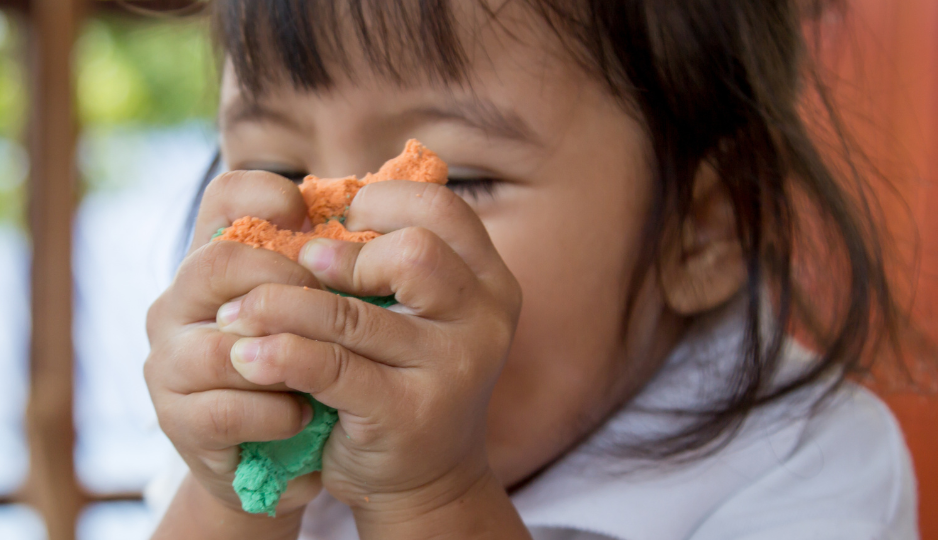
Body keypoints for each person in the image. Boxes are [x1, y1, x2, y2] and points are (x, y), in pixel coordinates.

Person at [142, 1, 921, 538]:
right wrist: (233, 501)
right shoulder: (243, 430)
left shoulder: (800, 463)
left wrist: (429, 499)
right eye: (278, 165)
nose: (339, 245)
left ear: (701, 229)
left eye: (451, 180)